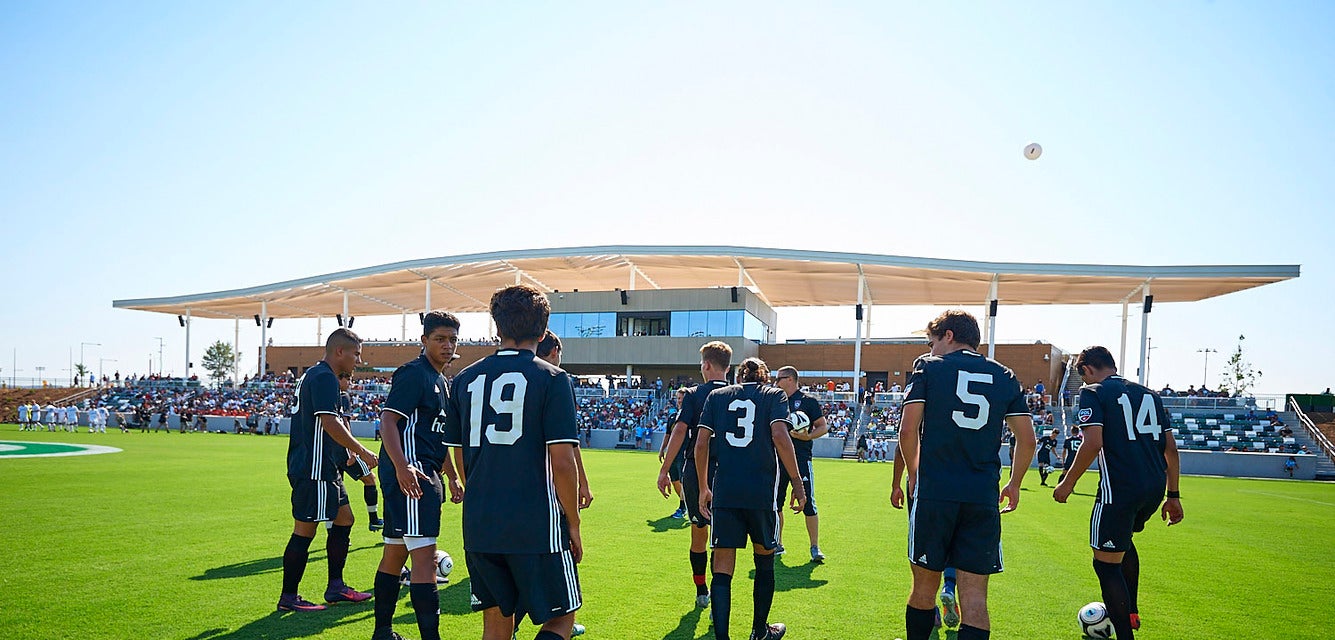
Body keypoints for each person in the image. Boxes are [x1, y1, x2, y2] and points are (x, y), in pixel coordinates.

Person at [444, 285, 583, 640]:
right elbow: (563, 463)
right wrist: (574, 524)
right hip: (534, 522)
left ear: (497, 327)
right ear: (543, 330)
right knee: (562, 618)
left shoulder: (464, 379)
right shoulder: (553, 378)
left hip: (479, 522)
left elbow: (461, 455)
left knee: (496, 622)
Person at [898, 310, 1035, 640]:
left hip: (936, 493)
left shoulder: (928, 367)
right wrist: (1014, 484)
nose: (930, 350)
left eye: (932, 342)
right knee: (975, 602)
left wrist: (914, 473)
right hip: (981, 497)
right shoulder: (1005, 375)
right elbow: (1027, 439)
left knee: (923, 591)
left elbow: (907, 428)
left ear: (947, 336)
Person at [1053, 346, 1184, 640]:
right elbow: (1171, 449)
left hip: (1120, 489)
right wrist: (1173, 495)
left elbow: (1092, 442)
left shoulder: (1093, 393)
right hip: (1153, 487)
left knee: (1105, 565)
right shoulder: (1150, 394)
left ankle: (1125, 634)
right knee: (1124, 541)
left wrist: (1068, 483)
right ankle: (1131, 610)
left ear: (1086, 370)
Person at [369, 311, 465, 640]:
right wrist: (401, 466)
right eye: (440, 339)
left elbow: (435, 436)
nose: (447, 345)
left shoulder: (443, 382)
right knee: (424, 559)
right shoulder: (414, 374)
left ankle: (382, 632)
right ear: (424, 340)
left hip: (424, 471)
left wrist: (451, 476)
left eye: (452, 339)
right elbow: (388, 421)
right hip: (413, 474)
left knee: (395, 552)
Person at [695, 357, 805, 640]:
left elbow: (702, 442)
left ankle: (722, 638)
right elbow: (780, 435)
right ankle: (759, 631)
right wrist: (796, 481)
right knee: (764, 560)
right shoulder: (775, 395)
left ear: (738, 376)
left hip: (726, 490)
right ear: (765, 377)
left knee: (722, 567)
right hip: (761, 492)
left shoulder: (717, 396)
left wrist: (704, 486)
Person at [277, 327, 379, 613]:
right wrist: (362, 451)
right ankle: (289, 597)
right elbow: (329, 423)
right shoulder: (324, 377)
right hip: (314, 468)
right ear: (340, 352)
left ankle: (336, 587)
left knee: (345, 519)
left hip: (325, 468)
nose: (358, 361)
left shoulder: (316, 375)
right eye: (356, 354)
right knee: (304, 531)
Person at [656, 341, 733, 609]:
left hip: (696, 469)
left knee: (698, 532)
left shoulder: (693, 393)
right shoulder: (738, 394)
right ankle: (719, 598)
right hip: (730, 472)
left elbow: (679, 431)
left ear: (707, 365)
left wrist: (664, 469)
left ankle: (702, 589)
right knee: (723, 540)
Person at [773, 366, 828, 562]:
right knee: (775, 503)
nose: (776, 382)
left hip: (802, 459)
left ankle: (815, 547)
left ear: (790, 379)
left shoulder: (808, 402)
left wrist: (807, 437)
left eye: (779, 379)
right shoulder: (774, 400)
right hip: (778, 460)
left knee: (809, 504)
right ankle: (776, 543)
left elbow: (822, 426)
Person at [334, 372, 383, 533]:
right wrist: (353, 451)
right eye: (347, 379)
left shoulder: (328, 394)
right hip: (343, 449)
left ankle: (333, 533)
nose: (350, 382)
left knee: (334, 489)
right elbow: (345, 423)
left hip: (327, 451)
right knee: (370, 479)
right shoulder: (342, 396)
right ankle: (374, 519)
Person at [658, 387, 690, 519]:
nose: (680, 401)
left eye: (682, 398)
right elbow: (668, 435)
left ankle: (683, 507)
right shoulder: (672, 416)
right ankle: (685, 505)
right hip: (673, 454)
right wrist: (662, 449)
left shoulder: (691, 416)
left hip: (685, 453)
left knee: (684, 481)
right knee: (675, 480)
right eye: (678, 398)